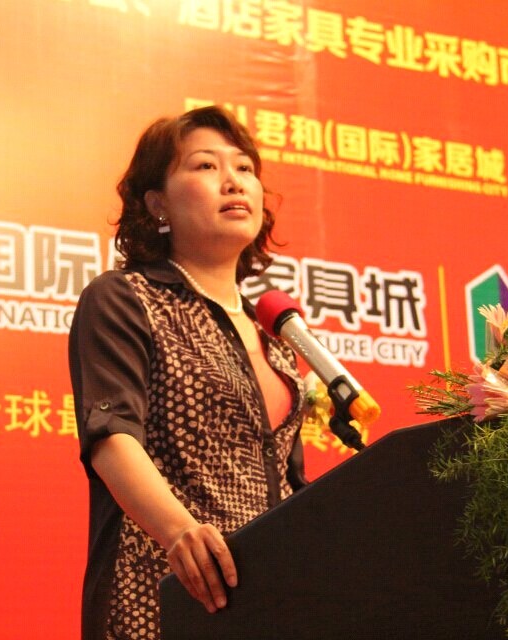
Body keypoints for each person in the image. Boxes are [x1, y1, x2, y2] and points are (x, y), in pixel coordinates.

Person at [68, 105, 307, 640]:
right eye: (205, 166)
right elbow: (111, 437)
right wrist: (180, 533)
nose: (233, 181)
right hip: (160, 593)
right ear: (158, 203)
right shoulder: (126, 299)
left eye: (244, 168)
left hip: (267, 602)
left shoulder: (276, 336)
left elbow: (292, 485)